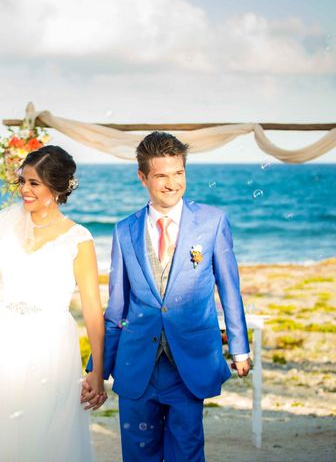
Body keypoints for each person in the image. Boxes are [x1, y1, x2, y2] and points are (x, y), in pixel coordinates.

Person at [0, 145, 106, 462]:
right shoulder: (3, 231)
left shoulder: (79, 239)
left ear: (56, 188)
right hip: (1, 337)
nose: (24, 190)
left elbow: (93, 310)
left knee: (44, 431)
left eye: (34, 183)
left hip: (51, 344)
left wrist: (97, 369)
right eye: (22, 181)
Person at [99, 132, 250, 461]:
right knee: (139, 454)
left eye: (179, 173)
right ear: (142, 177)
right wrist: (99, 367)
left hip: (188, 362)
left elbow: (229, 288)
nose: (172, 184)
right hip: (136, 362)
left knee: (187, 450)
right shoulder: (124, 230)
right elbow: (117, 306)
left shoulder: (212, 222)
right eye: (161, 175)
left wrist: (239, 347)